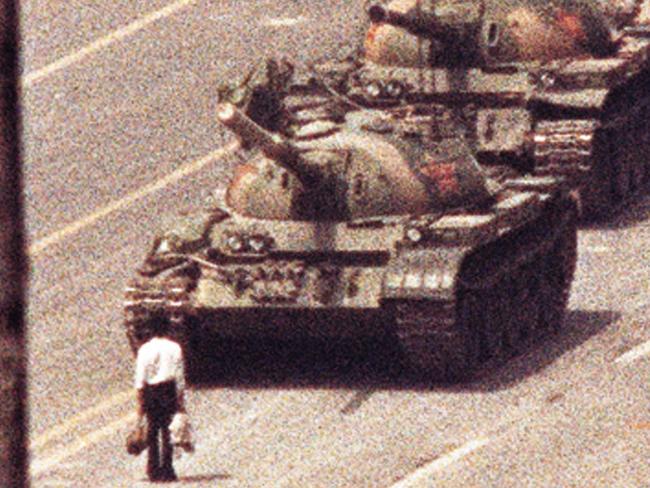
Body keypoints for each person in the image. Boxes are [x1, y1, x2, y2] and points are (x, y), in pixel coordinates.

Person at [134, 318, 186, 482]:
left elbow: (140, 377)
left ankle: (153, 469)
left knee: (152, 431)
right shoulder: (174, 348)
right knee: (168, 431)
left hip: (151, 390)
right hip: (168, 390)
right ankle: (168, 469)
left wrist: (140, 402)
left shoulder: (144, 349)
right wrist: (180, 400)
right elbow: (179, 376)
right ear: (168, 328)